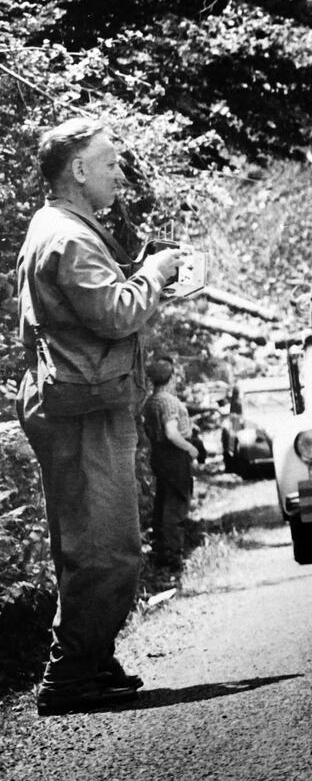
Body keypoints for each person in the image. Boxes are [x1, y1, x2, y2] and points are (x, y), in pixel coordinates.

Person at [15, 117, 184, 714]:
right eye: (110, 163)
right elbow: (114, 315)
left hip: (78, 401)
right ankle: (70, 676)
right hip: (82, 408)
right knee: (106, 547)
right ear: (78, 170)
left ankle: (92, 661)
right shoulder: (69, 235)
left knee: (91, 541)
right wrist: (156, 274)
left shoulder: (59, 226)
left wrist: (142, 272)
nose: (120, 172)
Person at [141, 355, 200, 574]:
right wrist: (190, 448)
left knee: (163, 503)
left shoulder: (151, 401)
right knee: (176, 505)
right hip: (174, 455)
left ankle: (161, 551)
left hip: (159, 455)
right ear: (171, 377)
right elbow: (172, 433)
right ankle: (173, 556)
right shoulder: (168, 401)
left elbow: (148, 430)